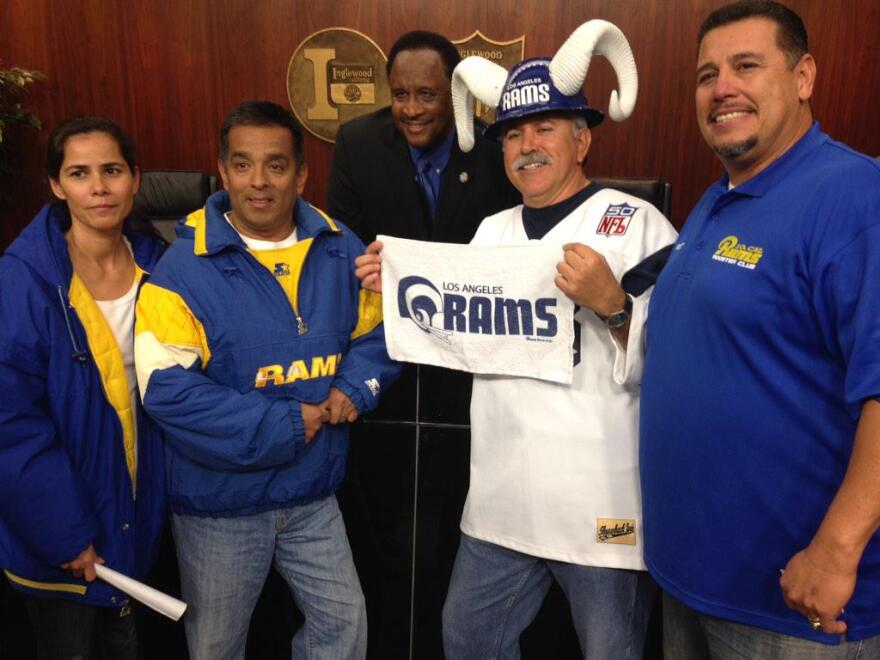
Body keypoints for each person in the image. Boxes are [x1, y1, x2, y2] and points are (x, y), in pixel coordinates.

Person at [356, 20, 677, 659]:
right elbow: (446, 331)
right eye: (512, 133)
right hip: (500, 503)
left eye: (545, 128)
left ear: (581, 139)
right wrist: (389, 281)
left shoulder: (638, 223)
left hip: (600, 506)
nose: (527, 145)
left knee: (612, 651)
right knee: (469, 639)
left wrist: (613, 305)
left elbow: (677, 366)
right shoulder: (490, 235)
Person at [639, 1, 880, 657]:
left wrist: (835, 550)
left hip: (789, 603)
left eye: (747, 65)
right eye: (706, 74)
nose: (722, 88)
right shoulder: (718, 198)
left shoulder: (856, 196)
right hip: (690, 582)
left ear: (803, 77)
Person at [134, 100, 400, 660]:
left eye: (276, 165)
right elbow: (167, 391)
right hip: (219, 506)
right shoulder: (179, 270)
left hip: (312, 495)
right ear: (223, 169)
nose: (259, 181)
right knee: (216, 648)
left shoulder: (340, 246)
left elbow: (378, 335)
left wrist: (354, 387)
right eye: (243, 164)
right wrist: (283, 424)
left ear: (301, 174)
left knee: (344, 627)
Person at [0, 116, 167, 659]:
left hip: (139, 521)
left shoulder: (162, 265)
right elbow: (12, 426)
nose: (98, 187)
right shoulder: (22, 280)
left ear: (135, 178)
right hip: (62, 538)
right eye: (79, 173)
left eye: (112, 170)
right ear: (55, 185)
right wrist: (63, 533)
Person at [328, 29, 520, 246]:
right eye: (400, 95)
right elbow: (345, 245)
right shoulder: (357, 147)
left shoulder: (493, 153)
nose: (411, 110)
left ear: (456, 93)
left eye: (426, 94)